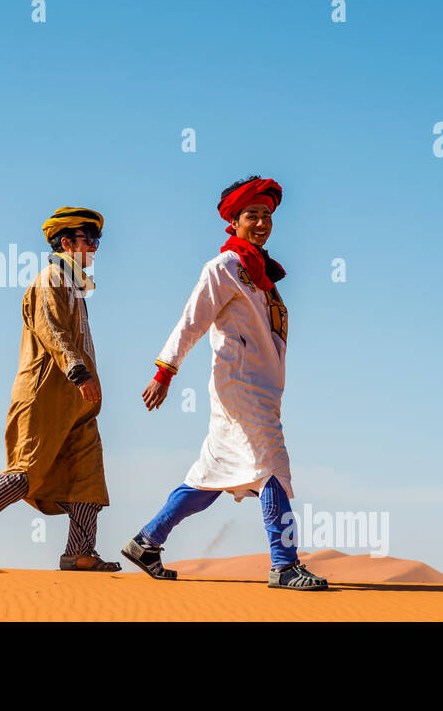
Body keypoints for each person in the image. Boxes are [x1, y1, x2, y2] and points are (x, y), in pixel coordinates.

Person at [120, 176, 328, 590]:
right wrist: (165, 371)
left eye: (267, 215)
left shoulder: (261, 274)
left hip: (262, 389)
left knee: (211, 476)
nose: (262, 222)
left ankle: (147, 541)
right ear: (234, 221)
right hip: (239, 386)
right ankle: (285, 565)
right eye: (252, 214)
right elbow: (191, 321)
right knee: (273, 468)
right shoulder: (224, 268)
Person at [0, 207, 121, 571]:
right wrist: (79, 372)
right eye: (89, 240)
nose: (96, 247)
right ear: (66, 243)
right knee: (26, 472)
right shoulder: (50, 279)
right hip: (43, 396)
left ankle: (80, 552)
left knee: (88, 475)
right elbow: (52, 330)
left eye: (97, 240)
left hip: (76, 402)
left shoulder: (75, 285)